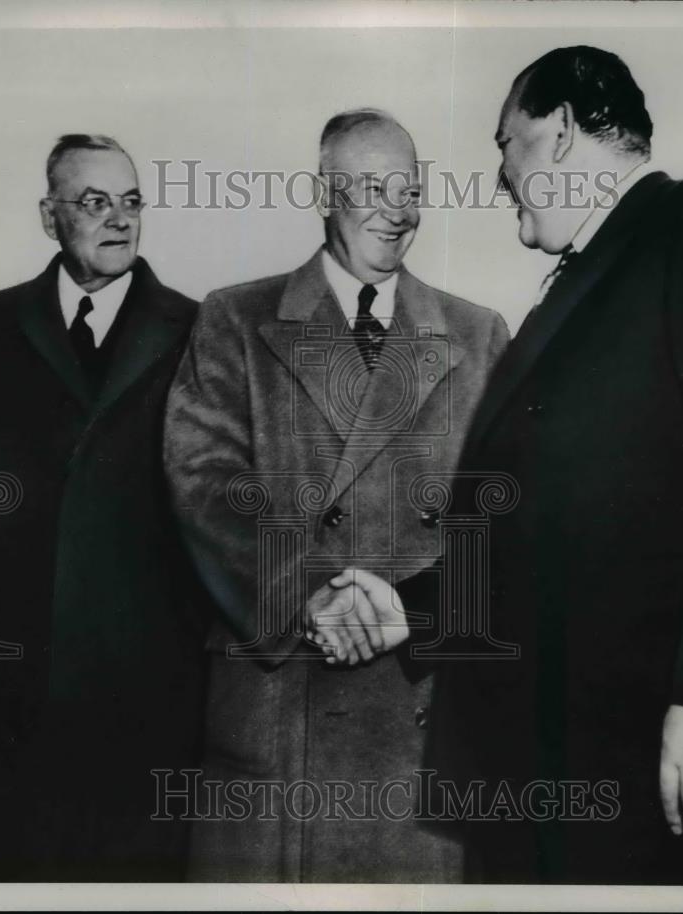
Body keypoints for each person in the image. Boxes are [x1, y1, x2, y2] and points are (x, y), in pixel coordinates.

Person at [333, 47, 683, 884]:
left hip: (656, 777)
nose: (497, 178)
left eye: (505, 145)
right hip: (550, 777)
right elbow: (550, 541)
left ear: (558, 133)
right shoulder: (573, 288)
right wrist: (408, 609)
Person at [163, 109, 509, 882]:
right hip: (282, 705)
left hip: (417, 717)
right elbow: (206, 486)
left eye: (410, 190)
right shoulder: (236, 318)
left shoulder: (478, 333)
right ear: (324, 192)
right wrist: (311, 594)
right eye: (373, 188)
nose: (398, 210)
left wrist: (414, 613)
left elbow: (506, 518)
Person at [0, 134, 208, 881]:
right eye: (94, 202)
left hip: (146, 675)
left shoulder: (197, 330)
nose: (119, 220)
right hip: (13, 669)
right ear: (49, 216)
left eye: (131, 202)